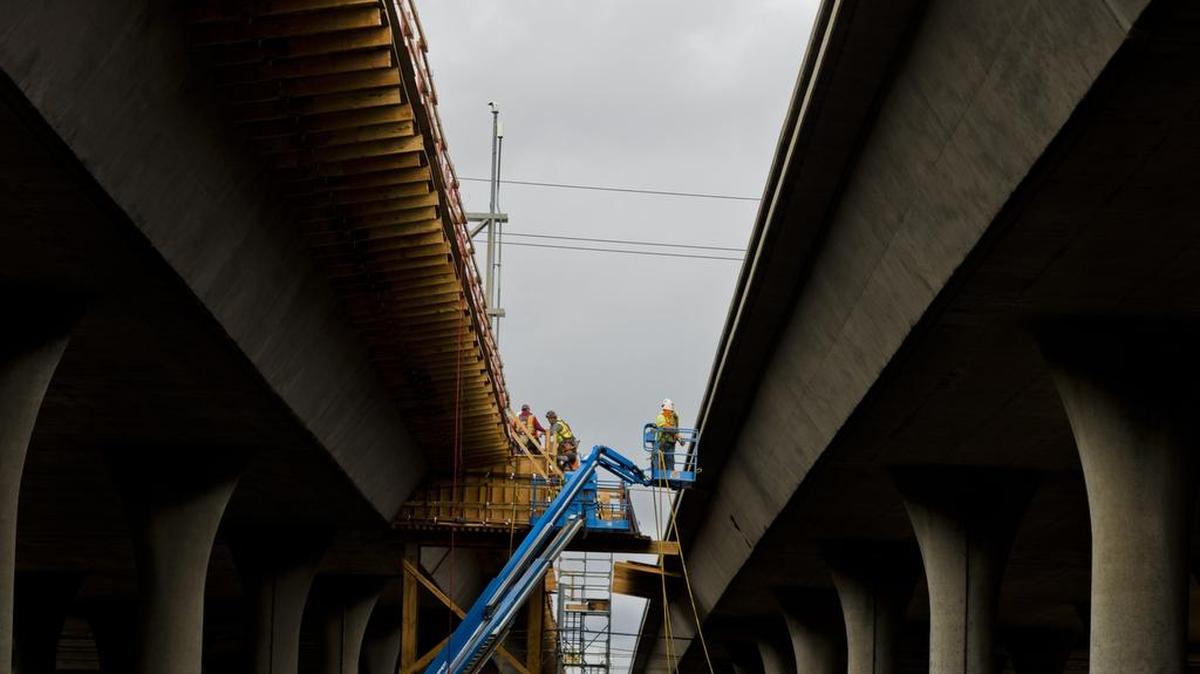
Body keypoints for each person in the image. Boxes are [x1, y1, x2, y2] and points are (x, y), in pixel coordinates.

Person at [654, 398, 680, 471]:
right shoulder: (660, 417)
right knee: (660, 461)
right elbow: (665, 427)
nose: (670, 412)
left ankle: (670, 475)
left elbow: (676, 429)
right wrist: (675, 431)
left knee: (670, 460)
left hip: (671, 443)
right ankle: (661, 473)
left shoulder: (673, 418)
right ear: (665, 409)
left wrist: (679, 438)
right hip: (662, 443)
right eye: (669, 411)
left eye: (671, 411)